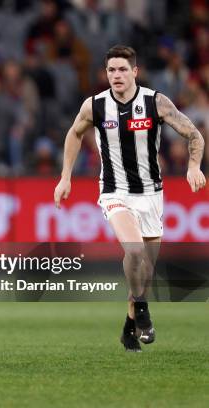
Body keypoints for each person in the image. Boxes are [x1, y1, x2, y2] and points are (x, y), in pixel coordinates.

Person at [53, 45, 206, 352]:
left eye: (123, 69)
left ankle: (128, 325)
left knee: (146, 270)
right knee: (133, 251)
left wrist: (193, 167)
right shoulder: (95, 105)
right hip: (114, 191)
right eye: (111, 70)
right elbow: (74, 133)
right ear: (105, 73)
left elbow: (194, 135)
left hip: (151, 194)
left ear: (135, 71)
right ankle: (144, 312)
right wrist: (65, 177)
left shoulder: (155, 102)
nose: (117, 75)